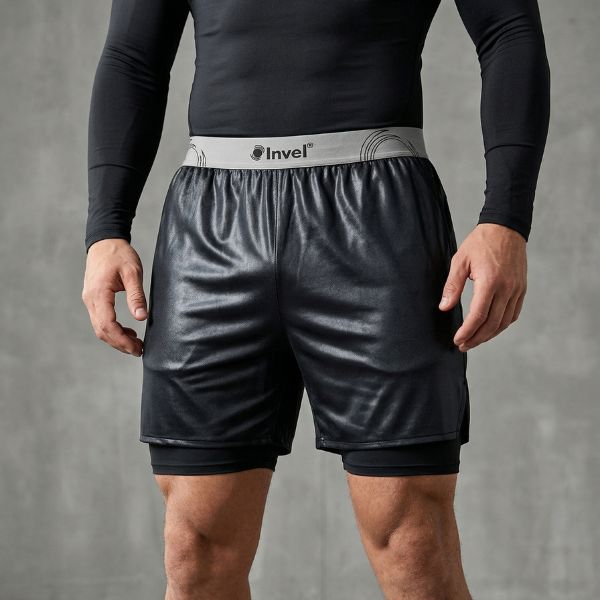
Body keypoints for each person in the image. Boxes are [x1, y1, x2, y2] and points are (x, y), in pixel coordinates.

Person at [81, 0, 550, 597]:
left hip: (374, 216)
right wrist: (106, 228)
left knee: (413, 544)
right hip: (214, 223)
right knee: (195, 550)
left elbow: (509, 31)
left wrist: (506, 218)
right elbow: (132, 57)